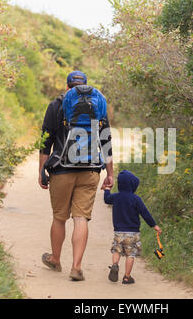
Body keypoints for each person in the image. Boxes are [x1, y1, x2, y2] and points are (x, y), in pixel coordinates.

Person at [39, 71, 114, 281]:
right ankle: (76, 266)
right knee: (81, 218)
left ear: (67, 86)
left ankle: (55, 259)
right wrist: (110, 174)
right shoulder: (97, 104)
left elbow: (45, 141)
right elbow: (105, 141)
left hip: (62, 169)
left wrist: (41, 171)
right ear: (86, 87)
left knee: (59, 217)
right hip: (90, 170)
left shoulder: (56, 105)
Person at [103, 170, 162, 284]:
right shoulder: (136, 199)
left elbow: (106, 199)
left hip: (118, 232)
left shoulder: (116, 197)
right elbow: (145, 213)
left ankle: (115, 265)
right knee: (130, 254)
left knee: (117, 250)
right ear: (132, 185)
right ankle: (126, 277)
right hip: (133, 233)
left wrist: (107, 189)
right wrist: (154, 225)